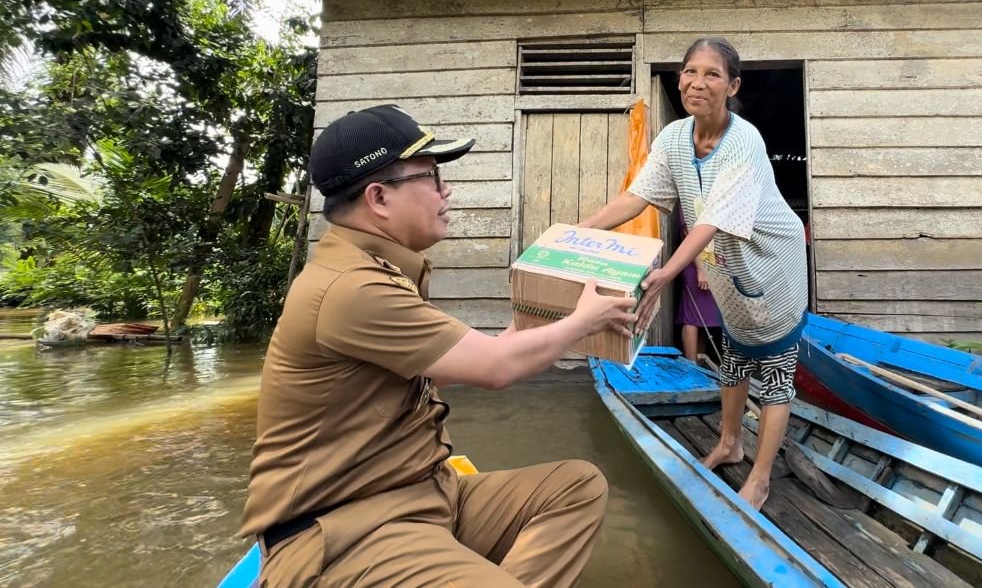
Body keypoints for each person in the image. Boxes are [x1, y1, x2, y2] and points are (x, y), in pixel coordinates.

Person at [241, 103, 637, 588]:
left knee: (575, 488)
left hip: (423, 495)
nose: (446, 190)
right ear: (379, 197)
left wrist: (534, 322)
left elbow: (451, 368)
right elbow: (496, 370)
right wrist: (583, 321)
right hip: (352, 527)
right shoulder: (351, 288)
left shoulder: (381, 267)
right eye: (430, 176)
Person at [580, 37, 808, 511]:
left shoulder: (744, 141)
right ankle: (730, 443)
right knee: (734, 354)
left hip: (772, 264)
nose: (697, 83)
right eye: (689, 71)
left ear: (732, 86)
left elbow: (708, 221)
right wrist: (575, 231)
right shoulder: (674, 138)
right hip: (726, 262)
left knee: (775, 370)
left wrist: (665, 274)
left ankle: (761, 477)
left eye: (712, 74)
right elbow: (636, 197)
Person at [674, 206, 722, 363]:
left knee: (703, 321)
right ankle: (691, 366)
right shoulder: (691, 199)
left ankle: (700, 366)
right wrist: (701, 270)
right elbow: (690, 236)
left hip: (712, 264)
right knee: (692, 317)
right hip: (697, 265)